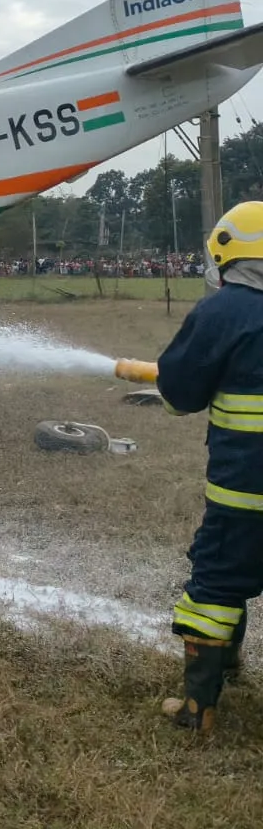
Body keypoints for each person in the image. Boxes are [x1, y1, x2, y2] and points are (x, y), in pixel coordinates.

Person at [156, 200, 263, 733]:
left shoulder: (223, 311)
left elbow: (179, 396)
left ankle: (200, 709)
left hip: (247, 491)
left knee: (218, 583)